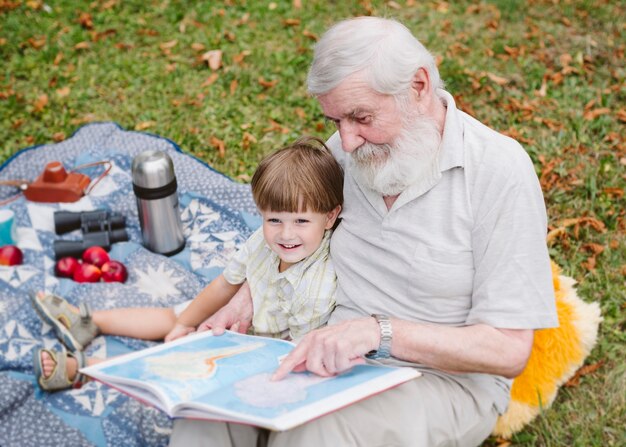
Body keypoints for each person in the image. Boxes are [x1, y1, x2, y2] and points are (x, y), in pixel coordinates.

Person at [169, 17, 559, 447]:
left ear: (418, 86)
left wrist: (378, 332)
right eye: (335, 120)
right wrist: (249, 295)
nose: (347, 142)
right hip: (317, 347)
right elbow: (303, 236)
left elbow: (507, 350)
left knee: (316, 432)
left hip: (436, 381)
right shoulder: (347, 151)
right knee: (203, 411)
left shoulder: (498, 171)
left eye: (361, 117)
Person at [32, 137, 344, 391]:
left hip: (255, 350)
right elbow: (225, 284)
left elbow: (292, 354)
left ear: (330, 216)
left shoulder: (316, 288)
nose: (286, 234)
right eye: (274, 219)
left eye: (301, 221)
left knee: (174, 367)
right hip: (238, 320)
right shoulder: (261, 243)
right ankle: (89, 321)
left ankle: (85, 369)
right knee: (174, 314)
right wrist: (185, 322)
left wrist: (208, 344)